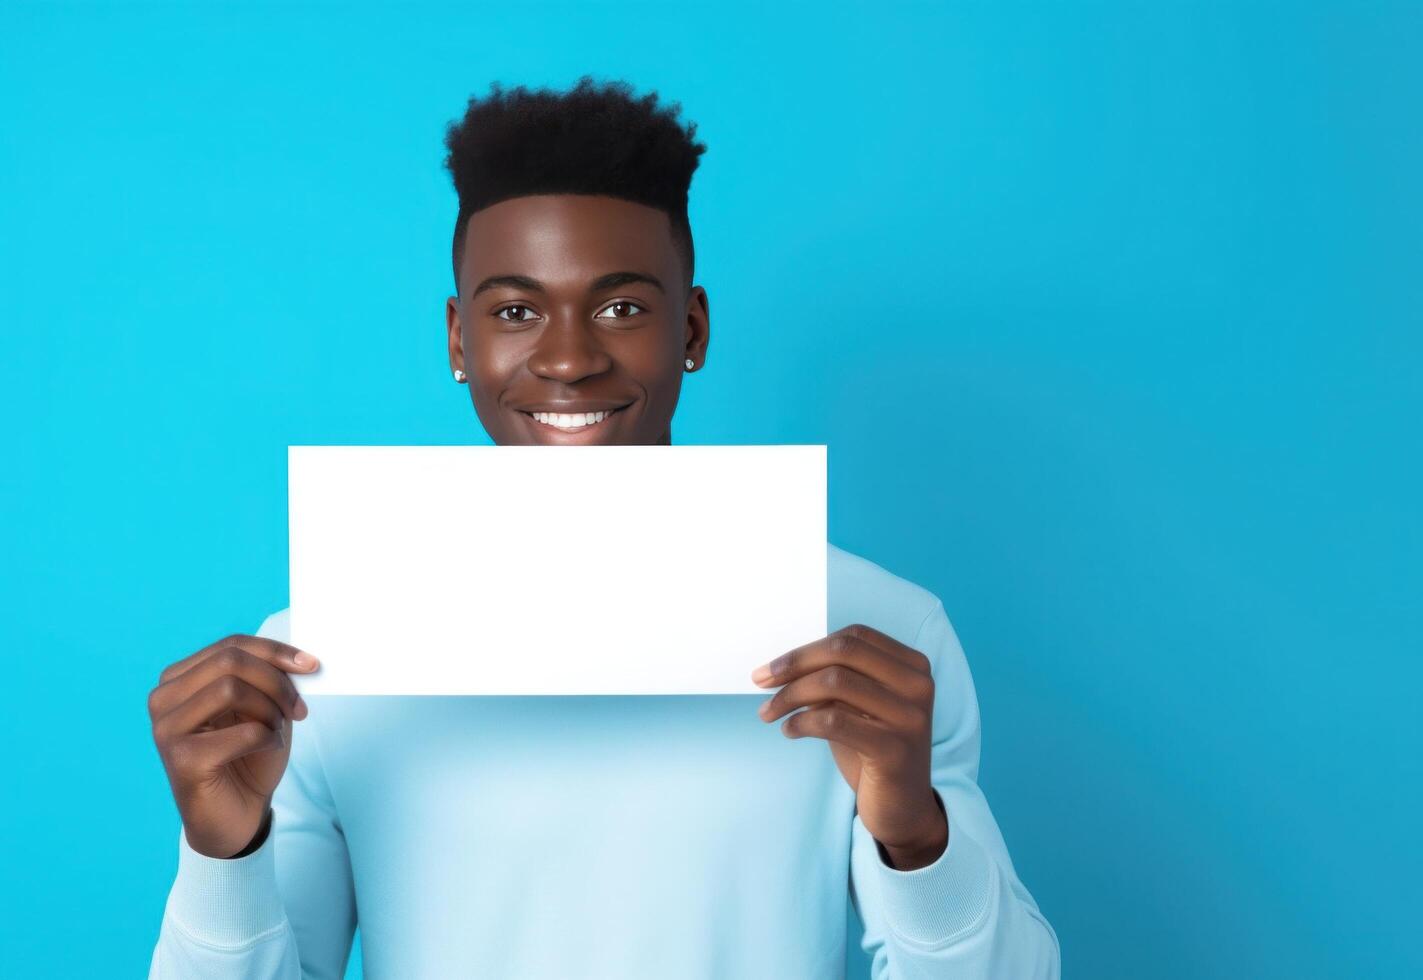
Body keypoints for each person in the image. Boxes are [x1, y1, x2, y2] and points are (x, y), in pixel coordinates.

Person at [146, 75, 1061, 979]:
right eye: (515, 312)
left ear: (692, 329)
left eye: (622, 308)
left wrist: (917, 834)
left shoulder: (880, 638)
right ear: (459, 342)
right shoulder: (313, 664)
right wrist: (222, 855)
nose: (570, 358)